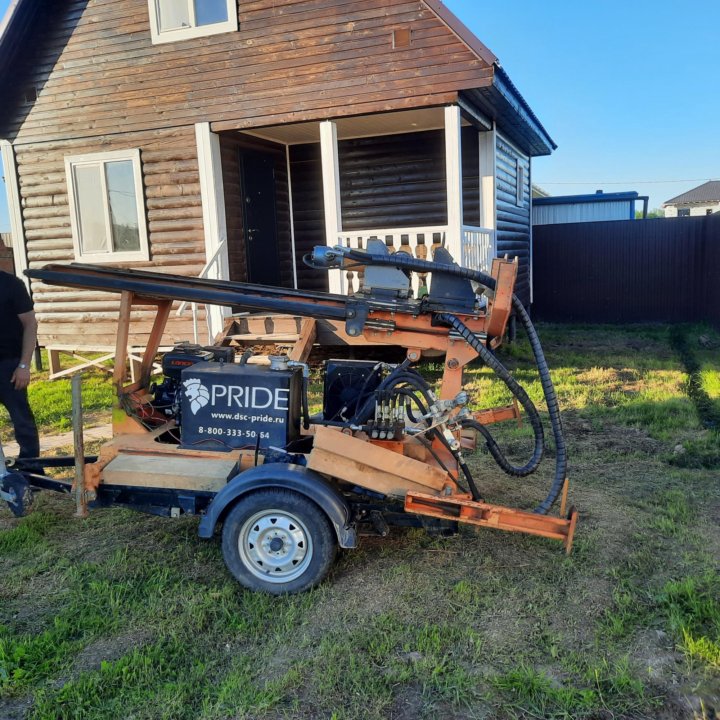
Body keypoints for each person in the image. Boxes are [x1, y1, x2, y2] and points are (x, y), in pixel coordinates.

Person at [0, 270, 39, 459]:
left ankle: (32, 468)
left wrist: (24, 365)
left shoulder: (12, 284)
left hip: (9, 366)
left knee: (22, 421)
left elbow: (30, 324)